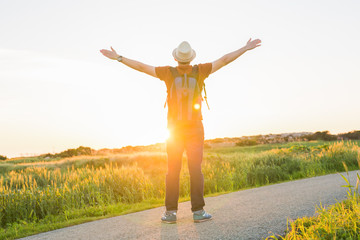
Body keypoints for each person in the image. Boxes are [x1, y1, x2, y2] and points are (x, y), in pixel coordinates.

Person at [100, 38, 261, 223]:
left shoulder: (168, 73)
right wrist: (245, 48)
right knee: (195, 170)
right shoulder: (200, 70)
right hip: (194, 129)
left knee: (172, 171)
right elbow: (224, 60)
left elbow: (141, 67)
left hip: (174, 130)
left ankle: (170, 213)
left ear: (176, 58)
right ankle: (198, 212)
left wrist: (119, 57)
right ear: (190, 58)